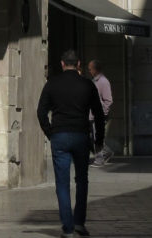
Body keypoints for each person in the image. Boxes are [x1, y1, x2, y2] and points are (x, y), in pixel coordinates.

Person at [37, 50, 105, 238]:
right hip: (81, 135)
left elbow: (41, 111)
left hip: (60, 135)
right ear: (78, 64)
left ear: (61, 64)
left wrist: (50, 132)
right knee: (82, 180)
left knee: (62, 183)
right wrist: (99, 139)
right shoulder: (87, 85)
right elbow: (99, 114)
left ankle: (67, 228)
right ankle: (79, 223)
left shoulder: (52, 84)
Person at [86, 59, 113, 166]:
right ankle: (106, 153)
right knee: (94, 137)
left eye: (90, 69)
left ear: (95, 69)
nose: (89, 71)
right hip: (92, 115)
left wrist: (103, 114)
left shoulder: (103, 82)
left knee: (97, 138)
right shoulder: (95, 81)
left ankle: (99, 159)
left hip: (98, 115)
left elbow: (108, 100)